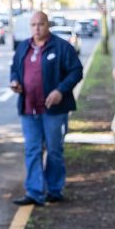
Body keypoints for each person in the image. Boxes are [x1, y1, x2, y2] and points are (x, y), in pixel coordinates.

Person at [9, 11, 84, 206]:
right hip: (29, 109)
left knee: (54, 150)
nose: (37, 28)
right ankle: (34, 192)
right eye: (33, 25)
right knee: (32, 150)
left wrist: (61, 90)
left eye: (40, 24)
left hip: (53, 111)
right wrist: (15, 81)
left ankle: (54, 189)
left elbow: (77, 71)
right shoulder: (24, 47)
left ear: (47, 25)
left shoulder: (61, 47)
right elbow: (15, 69)